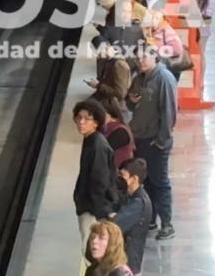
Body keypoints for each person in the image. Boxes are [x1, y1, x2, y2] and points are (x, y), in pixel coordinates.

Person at [128, 45, 177, 240]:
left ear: (155, 57)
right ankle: (150, 219)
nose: (141, 60)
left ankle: (167, 223)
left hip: (155, 141)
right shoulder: (139, 78)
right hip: (141, 138)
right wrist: (131, 100)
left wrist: (161, 141)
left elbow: (169, 112)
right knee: (146, 181)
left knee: (160, 183)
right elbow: (132, 104)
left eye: (144, 57)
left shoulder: (164, 78)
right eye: (138, 58)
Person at [74, 99, 119, 247]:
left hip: (93, 211)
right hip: (90, 206)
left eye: (87, 119)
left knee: (91, 248)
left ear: (96, 123)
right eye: (79, 117)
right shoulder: (91, 140)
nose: (81, 122)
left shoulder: (97, 146)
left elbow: (99, 181)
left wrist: (99, 212)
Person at [111, 158, 152, 275]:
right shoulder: (131, 196)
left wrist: (112, 216)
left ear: (134, 179)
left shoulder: (138, 203)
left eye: (122, 175)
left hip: (128, 263)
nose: (119, 178)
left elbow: (115, 225)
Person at [101, 97, 135, 168]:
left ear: (108, 114)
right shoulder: (110, 126)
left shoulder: (120, 132)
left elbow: (102, 150)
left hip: (119, 170)